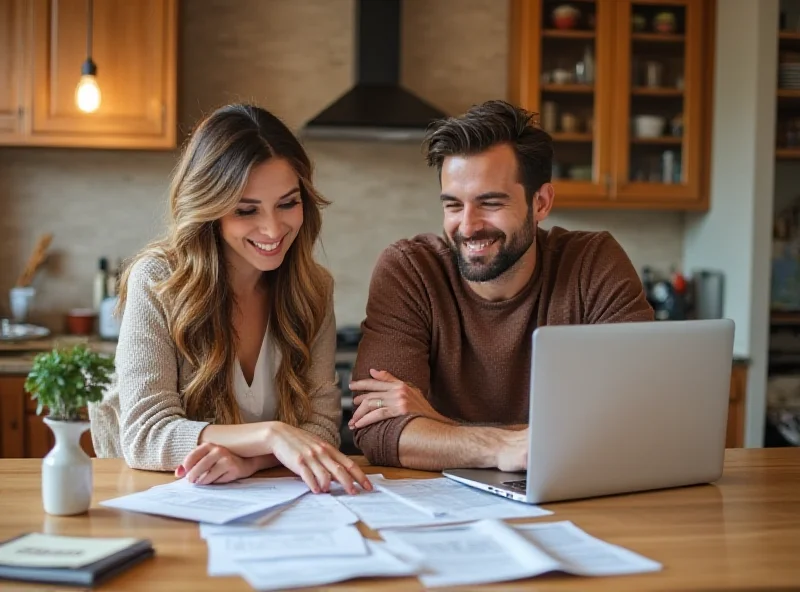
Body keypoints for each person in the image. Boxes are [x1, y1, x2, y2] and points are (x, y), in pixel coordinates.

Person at [348, 99, 654, 471]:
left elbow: (636, 416)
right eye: (453, 205)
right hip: (442, 509)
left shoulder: (592, 263)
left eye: (489, 203)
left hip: (571, 499)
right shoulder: (411, 270)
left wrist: (441, 426)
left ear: (540, 203)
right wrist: (503, 447)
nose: (468, 225)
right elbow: (378, 431)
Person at [89, 104, 371, 495]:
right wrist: (271, 435)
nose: (273, 228)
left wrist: (249, 461)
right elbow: (145, 435)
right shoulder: (158, 280)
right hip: (167, 504)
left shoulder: (313, 289)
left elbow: (320, 428)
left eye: (288, 203)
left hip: (274, 505)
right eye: (245, 210)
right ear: (209, 210)